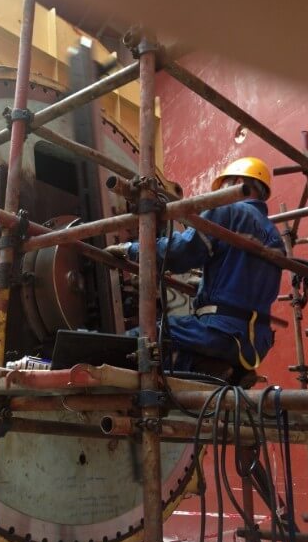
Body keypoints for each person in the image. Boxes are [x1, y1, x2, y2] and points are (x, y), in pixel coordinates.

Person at [107, 157, 285, 381]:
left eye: (223, 187)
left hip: (220, 330)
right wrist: (203, 285)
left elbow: (182, 253)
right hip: (256, 343)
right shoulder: (276, 238)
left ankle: (205, 368)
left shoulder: (228, 211)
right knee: (177, 343)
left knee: (140, 339)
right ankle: (224, 372)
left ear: (239, 182)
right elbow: (241, 277)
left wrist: (131, 249)